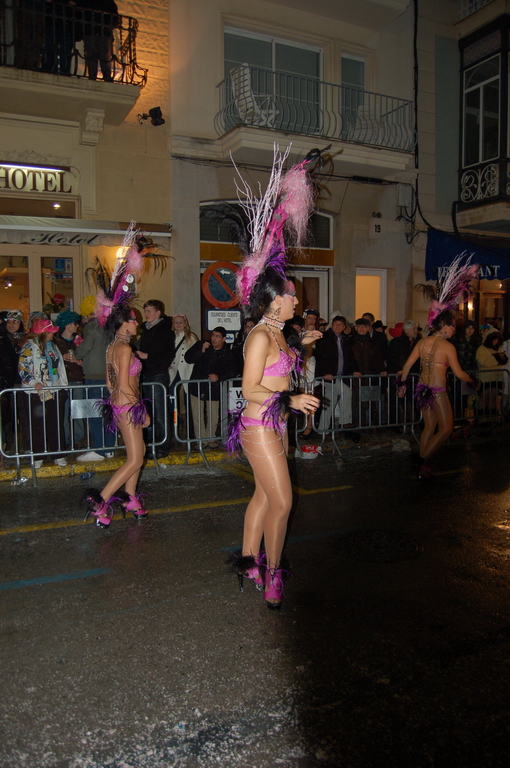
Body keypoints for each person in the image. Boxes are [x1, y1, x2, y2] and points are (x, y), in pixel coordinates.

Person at [225, 145, 323, 608]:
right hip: (260, 424)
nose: (297, 300)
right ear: (273, 300)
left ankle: (249, 559)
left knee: (264, 497)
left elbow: (279, 368)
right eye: (291, 296)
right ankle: (271, 574)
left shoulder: (279, 333)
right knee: (282, 502)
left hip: (275, 423)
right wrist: (292, 400)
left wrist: (302, 343)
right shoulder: (260, 336)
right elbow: (249, 388)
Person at [82, 226, 164, 527]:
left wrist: (124, 405)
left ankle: (131, 498)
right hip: (128, 406)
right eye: (133, 320)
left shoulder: (112, 347)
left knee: (138, 454)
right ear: (123, 324)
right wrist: (139, 411)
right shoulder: (126, 349)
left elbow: (109, 382)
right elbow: (128, 383)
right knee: (135, 459)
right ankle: (101, 501)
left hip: (119, 406)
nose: (137, 323)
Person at [398, 258, 479, 478]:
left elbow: (407, 365)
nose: (454, 330)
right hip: (437, 392)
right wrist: (473, 381)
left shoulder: (422, 342)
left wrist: (402, 384)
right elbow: (459, 373)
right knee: (445, 429)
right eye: (453, 327)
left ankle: (422, 463)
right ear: (445, 327)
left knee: (429, 426)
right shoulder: (447, 346)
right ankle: (423, 460)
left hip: (422, 390)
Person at [18, 317, 68, 468]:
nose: (53, 334)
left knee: (55, 423)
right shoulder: (29, 347)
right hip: (35, 393)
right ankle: (38, 456)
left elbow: (58, 367)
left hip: (54, 390)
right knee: (37, 425)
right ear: (44, 333)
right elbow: (23, 368)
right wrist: (34, 383)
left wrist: (62, 385)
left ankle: (58, 455)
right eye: (51, 331)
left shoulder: (53, 347)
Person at [73, 295, 115, 461]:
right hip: (108, 374)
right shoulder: (109, 326)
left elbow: (86, 347)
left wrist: (75, 353)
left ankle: (99, 449)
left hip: (94, 375)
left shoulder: (91, 326)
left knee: (95, 413)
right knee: (108, 413)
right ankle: (109, 447)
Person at [185, 326, 236, 447]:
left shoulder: (227, 352)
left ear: (223, 338)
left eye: (218, 336)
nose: (214, 338)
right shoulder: (202, 344)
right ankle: (200, 439)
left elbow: (233, 371)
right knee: (197, 414)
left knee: (213, 414)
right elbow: (188, 358)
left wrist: (219, 376)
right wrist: (201, 351)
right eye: (213, 335)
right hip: (197, 386)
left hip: (214, 388)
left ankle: (211, 438)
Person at [136, 300, 175, 458]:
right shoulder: (146, 329)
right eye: (146, 311)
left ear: (158, 312)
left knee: (160, 412)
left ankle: (162, 446)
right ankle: (152, 443)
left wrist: (147, 356)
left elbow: (167, 355)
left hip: (157, 374)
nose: (146, 314)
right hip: (146, 373)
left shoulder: (165, 330)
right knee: (149, 411)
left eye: (150, 311)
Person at [314, 314, 356, 434]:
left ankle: (322, 430)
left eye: (340, 324)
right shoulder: (324, 338)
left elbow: (350, 358)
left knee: (329, 403)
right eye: (336, 324)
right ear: (331, 325)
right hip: (329, 377)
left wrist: (354, 370)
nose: (338, 326)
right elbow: (319, 357)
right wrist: (324, 373)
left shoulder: (344, 340)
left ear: (344, 327)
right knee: (347, 392)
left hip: (337, 376)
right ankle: (345, 421)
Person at [53, 309, 84, 449]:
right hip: (62, 380)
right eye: (74, 323)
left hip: (76, 379)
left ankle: (77, 438)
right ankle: (65, 439)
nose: (77, 326)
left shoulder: (80, 340)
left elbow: (86, 357)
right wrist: (61, 358)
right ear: (66, 324)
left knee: (77, 411)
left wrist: (80, 361)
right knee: (63, 411)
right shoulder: (55, 341)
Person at [476, 329, 505, 418]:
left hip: (496, 377)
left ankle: (493, 418)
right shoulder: (481, 349)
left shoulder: (498, 349)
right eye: (494, 339)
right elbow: (484, 362)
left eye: (497, 339)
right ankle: (482, 419)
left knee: (493, 397)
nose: (496, 341)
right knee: (484, 397)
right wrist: (498, 358)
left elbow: (503, 361)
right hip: (485, 378)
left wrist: (500, 359)